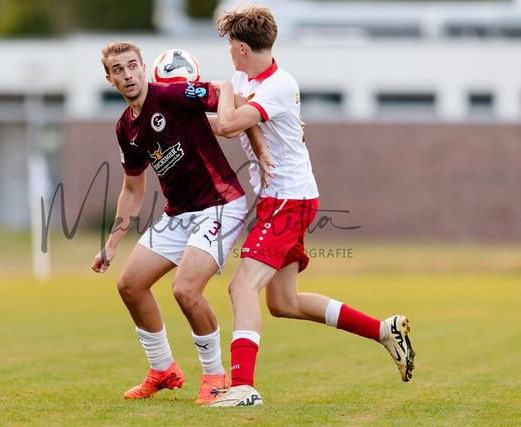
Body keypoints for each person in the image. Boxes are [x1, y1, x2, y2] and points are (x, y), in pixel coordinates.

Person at [205, 5, 416, 407]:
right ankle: (383, 330)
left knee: (241, 286)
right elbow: (223, 121)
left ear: (243, 48)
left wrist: (221, 94)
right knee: (283, 302)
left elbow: (228, 124)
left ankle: (244, 387)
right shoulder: (245, 78)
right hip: (281, 198)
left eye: (231, 45)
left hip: (289, 200)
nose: (228, 52)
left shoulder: (278, 86)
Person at [93, 41, 270, 404]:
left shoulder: (173, 95)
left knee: (185, 290)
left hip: (221, 205)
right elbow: (133, 189)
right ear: (110, 79)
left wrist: (259, 149)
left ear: (144, 68)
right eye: (118, 70)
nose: (127, 75)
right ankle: (162, 370)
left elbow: (232, 96)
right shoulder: (125, 128)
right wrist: (111, 245)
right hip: (178, 213)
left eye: (132, 66)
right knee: (130, 285)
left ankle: (215, 376)